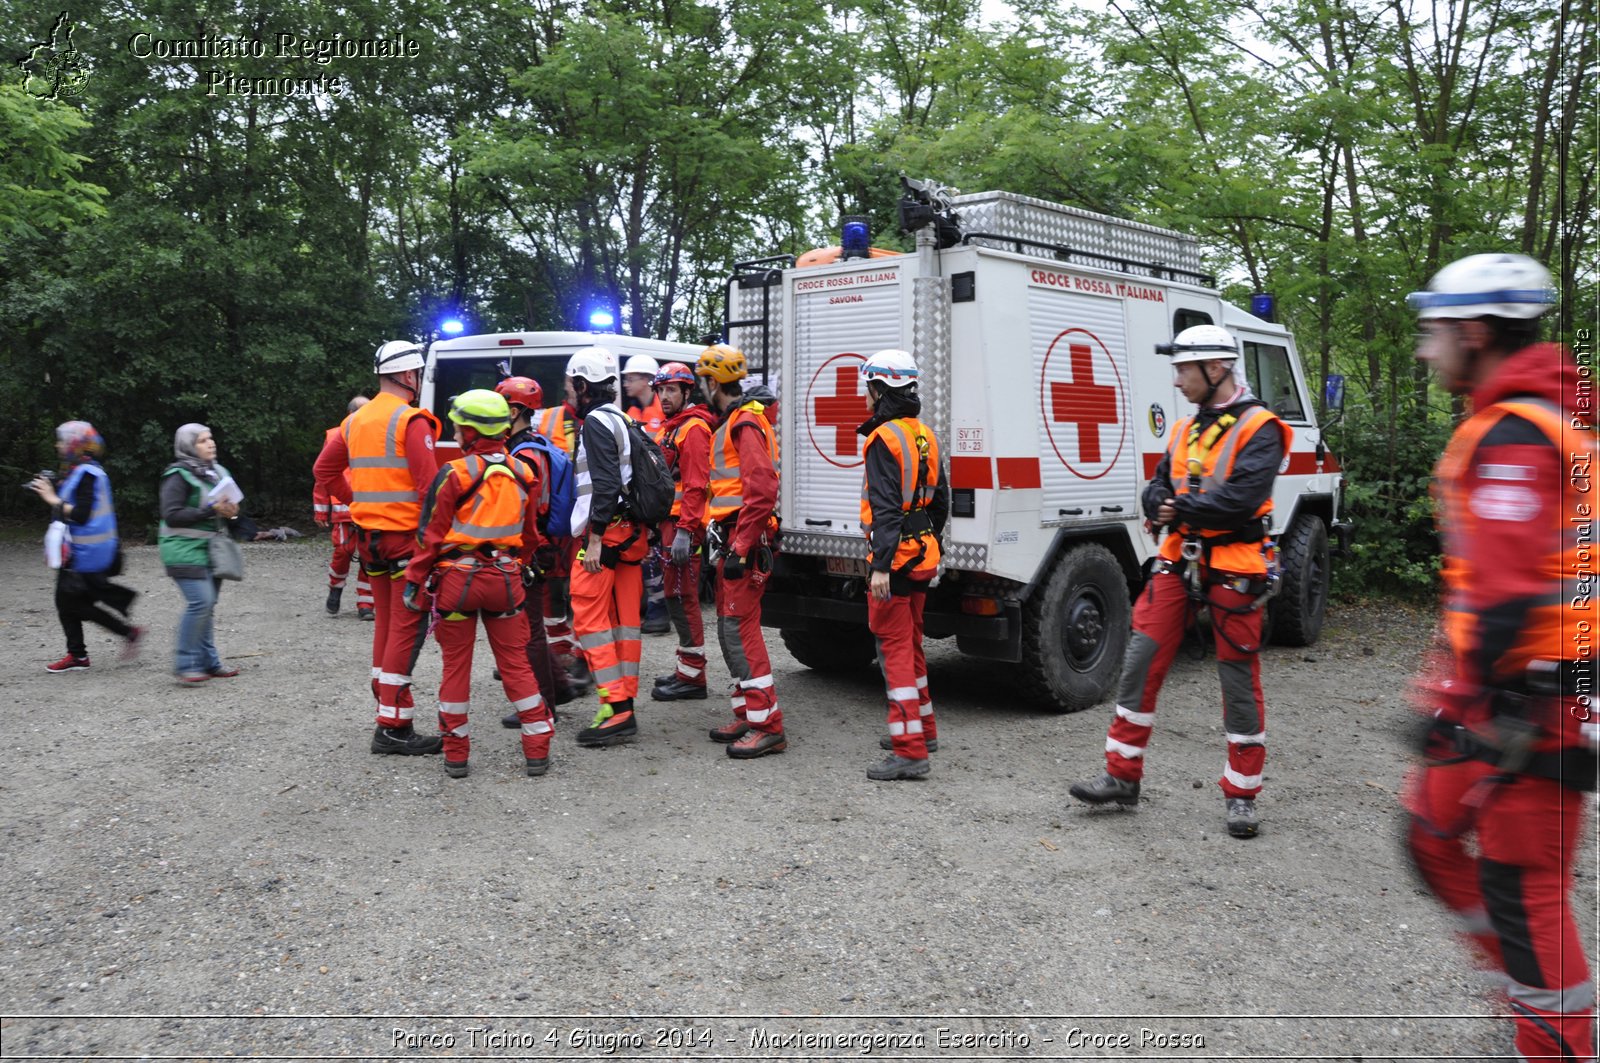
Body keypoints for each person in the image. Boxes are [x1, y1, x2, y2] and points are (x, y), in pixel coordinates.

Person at [1403, 253, 1596, 1061]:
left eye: (1432, 332)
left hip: (1531, 697)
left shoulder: (1516, 432)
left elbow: (1512, 593)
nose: (1423, 349)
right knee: (1426, 834)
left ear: (1475, 332)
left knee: (1526, 887)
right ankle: (1526, 996)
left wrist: (1461, 696)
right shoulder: (1556, 416)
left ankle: (1559, 1040)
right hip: (1531, 687)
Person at [1068, 324, 1290, 838]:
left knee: (1237, 677)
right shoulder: (1187, 428)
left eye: (1183, 370)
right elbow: (1158, 484)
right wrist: (1157, 502)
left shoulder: (1263, 428)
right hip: (1178, 560)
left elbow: (1237, 500)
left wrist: (1177, 507)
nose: (1177, 380)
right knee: (1141, 660)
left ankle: (1242, 794)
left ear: (1216, 369)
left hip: (1236, 566)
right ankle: (1121, 778)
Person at [403, 390, 556, 779]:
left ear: (470, 431)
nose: (454, 430)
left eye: (457, 424)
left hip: (457, 582)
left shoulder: (454, 473)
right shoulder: (524, 473)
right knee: (517, 665)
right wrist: (514, 564)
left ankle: (456, 754)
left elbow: (430, 535)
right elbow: (531, 537)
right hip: (505, 580)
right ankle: (537, 748)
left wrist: (415, 580)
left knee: (456, 668)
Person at [313, 340, 443, 757]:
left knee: (387, 627)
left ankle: (391, 714)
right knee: (407, 628)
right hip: (405, 541)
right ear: (409, 376)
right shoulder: (412, 420)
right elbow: (430, 492)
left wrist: (355, 501)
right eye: (418, 375)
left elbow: (323, 470)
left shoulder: (353, 421)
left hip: (370, 543)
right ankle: (391, 725)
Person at [856, 350, 948, 781]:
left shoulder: (882, 439)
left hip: (896, 560)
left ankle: (909, 751)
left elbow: (887, 508)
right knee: (910, 643)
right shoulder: (924, 434)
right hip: (923, 553)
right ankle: (923, 730)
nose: (865, 400)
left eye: (868, 391)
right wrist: (933, 542)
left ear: (879, 390)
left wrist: (881, 566)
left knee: (892, 649)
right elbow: (941, 502)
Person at [696, 343, 785, 759]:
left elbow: (762, 488)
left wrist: (742, 546)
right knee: (728, 627)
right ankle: (748, 715)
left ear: (713, 382)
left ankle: (768, 726)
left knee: (739, 629)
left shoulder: (744, 423)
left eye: (703, 381)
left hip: (745, 538)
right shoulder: (735, 420)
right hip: (732, 536)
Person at [566, 346, 650, 747]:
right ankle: (623, 704)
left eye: (571, 385)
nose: (569, 393)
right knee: (624, 622)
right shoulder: (624, 419)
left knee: (589, 615)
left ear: (583, 385)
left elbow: (604, 483)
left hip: (608, 533)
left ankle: (615, 708)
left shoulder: (596, 422)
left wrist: (595, 538)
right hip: (630, 534)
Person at [492, 375, 584, 727]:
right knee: (531, 627)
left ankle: (543, 704)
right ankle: (557, 689)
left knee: (526, 630)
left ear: (514, 411)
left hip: (533, 550)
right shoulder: (535, 445)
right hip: (544, 547)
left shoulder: (524, 454)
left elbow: (525, 510)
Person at [29, 421, 142, 672]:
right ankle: (79, 654)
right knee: (67, 602)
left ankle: (119, 636)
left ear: (75, 444)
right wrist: (51, 486)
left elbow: (81, 514)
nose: (58, 445)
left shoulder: (87, 474)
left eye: (61, 440)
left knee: (71, 603)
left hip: (86, 554)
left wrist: (51, 498)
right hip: (84, 552)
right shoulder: (80, 470)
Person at [650, 361, 717, 702]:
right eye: (661, 390)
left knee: (683, 597)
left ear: (687, 392)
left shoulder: (692, 430)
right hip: (670, 525)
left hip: (682, 528)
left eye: (671, 390)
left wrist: (686, 531)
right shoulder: (672, 428)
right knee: (676, 597)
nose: (664, 396)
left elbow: (695, 485)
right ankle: (686, 670)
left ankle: (693, 677)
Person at [159, 423, 243, 684]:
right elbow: (171, 515)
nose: (211, 444)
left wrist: (233, 513)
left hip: (212, 551)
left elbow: (232, 511)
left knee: (207, 607)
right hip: (182, 549)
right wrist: (211, 510)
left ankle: (210, 663)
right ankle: (185, 664)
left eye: (211, 438)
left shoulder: (218, 472)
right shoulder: (177, 474)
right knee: (201, 603)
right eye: (202, 441)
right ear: (188, 446)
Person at [535, 377, 595, 692]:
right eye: (571, 383)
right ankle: (558, 653)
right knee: (549, 588)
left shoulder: (599, 416)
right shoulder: (547, 417)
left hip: (586, 516)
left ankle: (586, 660)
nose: (572, 388)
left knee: (582, 592)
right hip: (557, 514)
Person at [622, 353, 670, 635]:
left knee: (654, 556)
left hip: (661, 499)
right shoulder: (632, 414)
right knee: (647, 555)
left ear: (647, 381)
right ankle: (653, 609)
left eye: (631, 378)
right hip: (642, 497)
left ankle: (658, 612)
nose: (626, 382)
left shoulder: (660, 414)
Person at [315, 396, 374, 621]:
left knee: (371, 556)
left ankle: (365, 604)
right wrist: (321, 510)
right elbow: (323, 474)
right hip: (344, 507)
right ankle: (335, 588)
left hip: (371, 506)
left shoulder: (377, 435)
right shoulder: (335, 435)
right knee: (343, 551)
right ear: (351, 414)